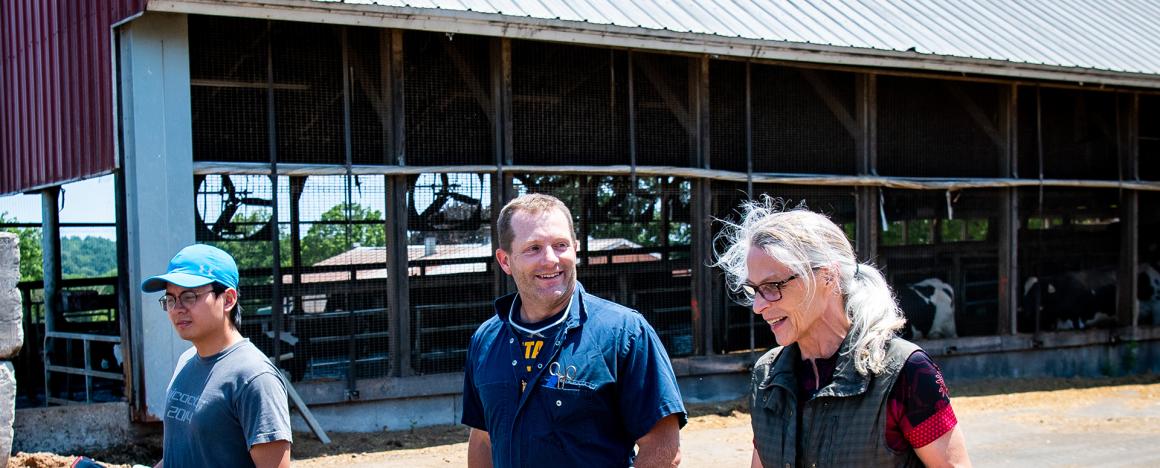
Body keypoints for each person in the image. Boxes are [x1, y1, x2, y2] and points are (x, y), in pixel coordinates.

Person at [713, 197, 971, 467]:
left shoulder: (906, 372)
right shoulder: (766, 376)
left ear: (827, 276)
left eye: (773, 285)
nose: (758, 306)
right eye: (755, 289)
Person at [461, 193, 687, 468]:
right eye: (533, 248)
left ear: (576, 249)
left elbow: (663, 448)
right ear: (505, 260)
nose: (550, 260)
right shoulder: (486, 340)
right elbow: (483, 438)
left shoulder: (623, 333)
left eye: (560, 245)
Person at [140, 244, 292, 468]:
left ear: (228, 299)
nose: (177, 308)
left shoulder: (254, 377)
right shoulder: (186, 361)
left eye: (189, 296)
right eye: (170, 299)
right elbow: (184, 452)